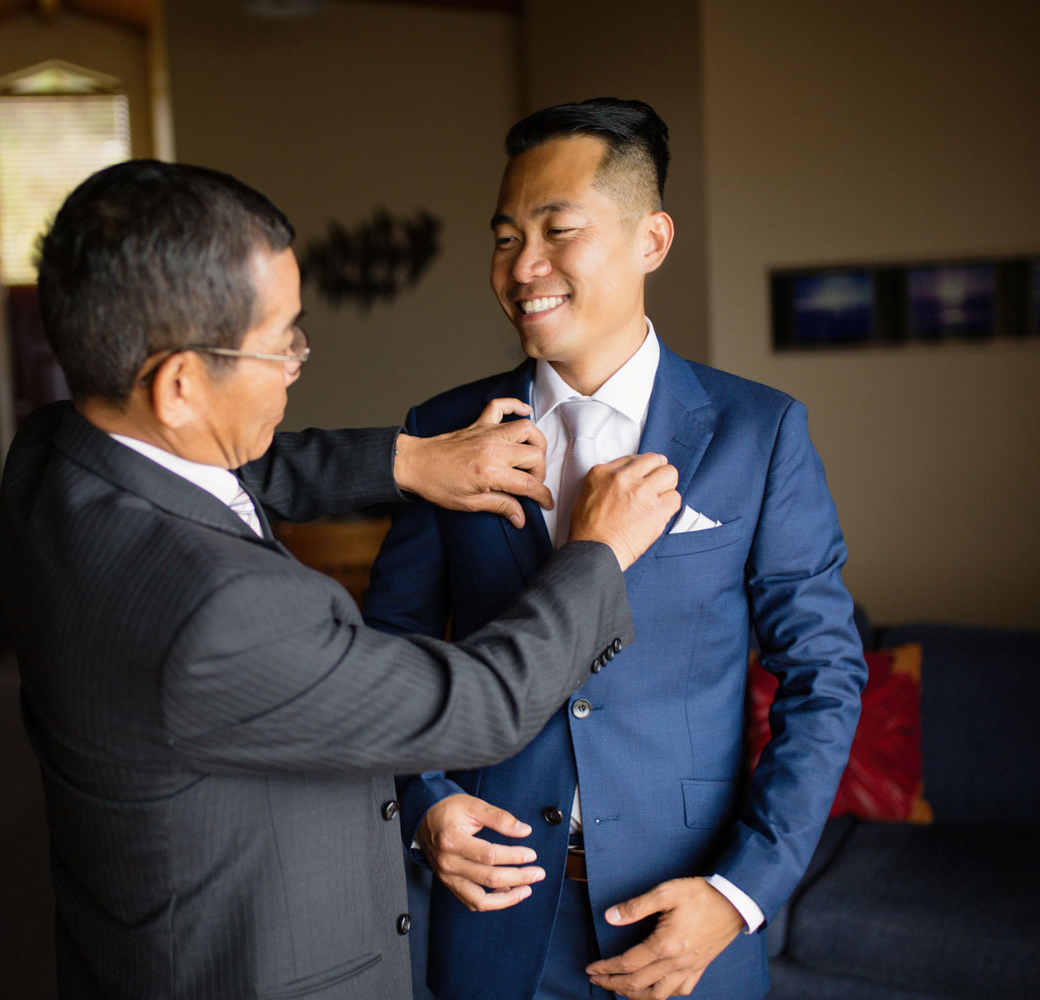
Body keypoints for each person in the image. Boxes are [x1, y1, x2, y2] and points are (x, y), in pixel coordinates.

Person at [0, 159, 686, 1000]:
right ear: (179, 385)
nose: (297, 361)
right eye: (283, 339)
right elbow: (483, 703)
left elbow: (247, 467)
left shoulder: (52, 454)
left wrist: (407, 460)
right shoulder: (219, 610)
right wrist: (597, 553)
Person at [363, 99, 868, 1000]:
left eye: (558, 230)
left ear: (653, 239)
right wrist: (424, 799)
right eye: (506, 237)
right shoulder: (440, 431)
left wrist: (741, 894)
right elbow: (391, 647)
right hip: (494, 916)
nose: (524, 268)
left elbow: (822, 677)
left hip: (689, 922)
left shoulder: (760, 432)